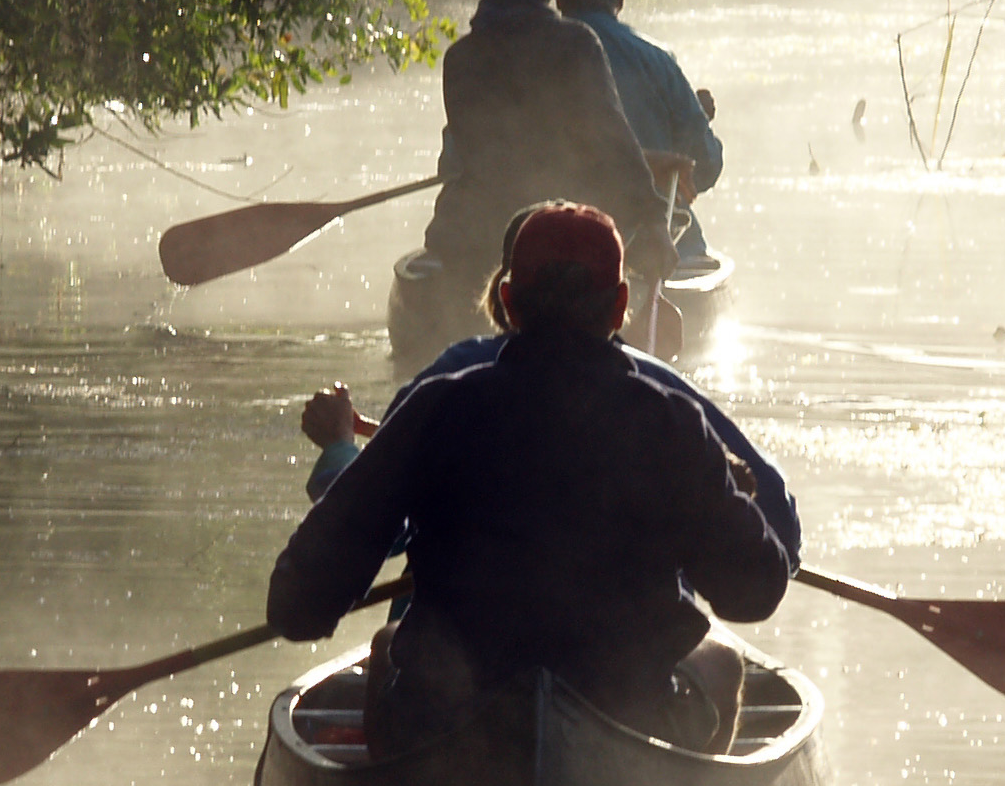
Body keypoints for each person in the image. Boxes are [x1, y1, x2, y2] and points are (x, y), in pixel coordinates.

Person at [268, 204, 789, 755]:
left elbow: (297, 606)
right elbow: (755, 593)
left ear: (509, 304)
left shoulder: (437, 409)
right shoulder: (673, 425)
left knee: (387, 648)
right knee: (722, 662)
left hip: (455, 720)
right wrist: (715, 499)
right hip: (626, 710)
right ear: (620, 308)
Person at [421, 0, 677, 299]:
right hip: (560, 240)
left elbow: (483, 153)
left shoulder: (460, 57)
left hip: (478, 239)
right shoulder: (574, 45)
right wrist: (654, 218)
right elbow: (612, 140)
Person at [553, 0, 723, 266]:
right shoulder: (656, 59)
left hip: (557, 238)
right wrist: (696, 120)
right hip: (655, 242)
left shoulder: (529, 58)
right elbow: (706, 164)